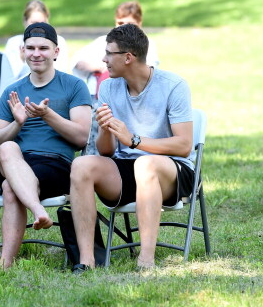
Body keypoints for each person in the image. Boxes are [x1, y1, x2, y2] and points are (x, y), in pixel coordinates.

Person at [69, 23, 194, 272]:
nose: (103, 59)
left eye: (108, 53)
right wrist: (105, 127)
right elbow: (106, 152)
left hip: (171, 171)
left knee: (145, 164)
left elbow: (183, 145)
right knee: (81, 164)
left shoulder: (173, 85)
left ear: (128, 57)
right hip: (127, 169)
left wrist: (134, 140)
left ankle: (146, 261)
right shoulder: (107, 87)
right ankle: (87, 260)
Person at [0, 22, 92, 269]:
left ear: (56, 52)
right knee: (6, 148)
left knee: (10, 187)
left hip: (56, 165)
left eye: (44, 48)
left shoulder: (74, 86)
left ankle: (4, 264)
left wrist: (48, 115)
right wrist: (17, 123)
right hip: (18, 160)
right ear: (22, 51)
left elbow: (81, 138)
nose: (37, 53)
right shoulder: (12, 91)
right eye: (31, 48)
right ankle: (38, 211)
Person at [70, 0, 159, 154]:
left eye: (129, 22)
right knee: (96, 127)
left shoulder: (146, 45)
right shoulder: (105, 41)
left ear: (140, 22)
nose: (123, 26)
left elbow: (148, 72)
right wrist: (98, 67)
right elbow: (77, 61)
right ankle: (92, 156)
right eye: (120, 22)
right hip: (98, 97)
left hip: (131, 102)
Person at [4, 0, 69, 79]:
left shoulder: (59, 42)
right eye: (34, 23)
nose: (38, 27)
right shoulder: (14, 43)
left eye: (43, 23)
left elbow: (62, 74)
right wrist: (22, 60)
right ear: (25, 21)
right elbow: (9, 78)